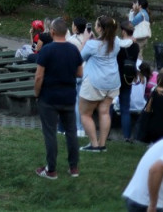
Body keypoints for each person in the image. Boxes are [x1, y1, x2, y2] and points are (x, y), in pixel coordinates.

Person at [32, 19, 84, 180]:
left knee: (50, 132)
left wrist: (36, 94)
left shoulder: (47, 50)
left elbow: (39, 76)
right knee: (71, 132)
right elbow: (80, 73)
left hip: (49, 97)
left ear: (52, 32)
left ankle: (51, 169)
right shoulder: (73, 50)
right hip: (68, 96)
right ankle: (73, 167)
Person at [80, 15, 120, 152]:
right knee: (104, 112)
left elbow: (79, 57)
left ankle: (94, 144)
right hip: (112, 82)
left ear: (100, 28)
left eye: (97, 24)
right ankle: (102, 144)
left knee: (85, 114)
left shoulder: (92, 44)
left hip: (95, 82)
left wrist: (85, 41)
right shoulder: (116, 42)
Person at [116, 20, 142, 142]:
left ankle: (107, 133)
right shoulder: (135, 46)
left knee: (108, 105)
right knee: (125, 108)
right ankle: (127, 135)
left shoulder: (119, 45)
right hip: (128, 77)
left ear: (124, 31)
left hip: (116, 77)